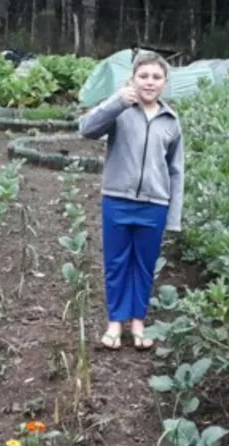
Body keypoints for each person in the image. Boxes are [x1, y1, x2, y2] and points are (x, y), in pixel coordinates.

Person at [77, 51, 185, 351]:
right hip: (118, 200)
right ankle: (115, 322)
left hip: (155, 205)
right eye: (143, 76)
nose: (149, 82)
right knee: (116, 263)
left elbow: (176, 171)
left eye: (156, 77)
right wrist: (117, 101)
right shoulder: (120, 110)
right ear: (133, 79)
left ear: (164, 83)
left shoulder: (171, 121)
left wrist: (173, 216)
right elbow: (85, 129)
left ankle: (138, 322)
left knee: (144, 266)